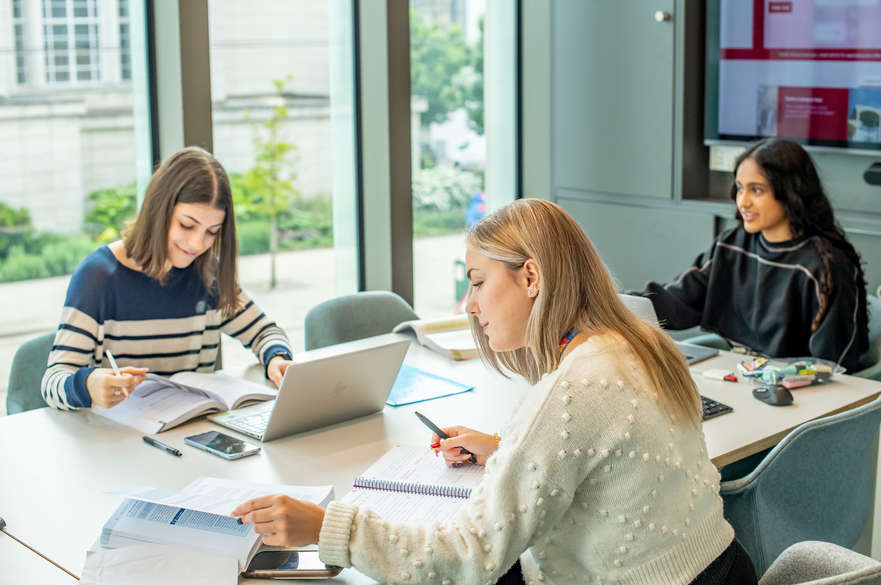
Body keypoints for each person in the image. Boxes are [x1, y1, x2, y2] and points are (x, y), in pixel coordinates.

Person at [232, 198, 756, 584]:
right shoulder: (635, 340)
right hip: (717, 569)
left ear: (531, 277)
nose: (470, 305)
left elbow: (467, 559)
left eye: (478, 282)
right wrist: (510, 449)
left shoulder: (575, 386)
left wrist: (328, 527)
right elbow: (612, 460)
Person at [41, 147, 294, 410]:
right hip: (116, 439)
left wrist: (276, 358)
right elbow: (53, 381)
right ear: (158, 211)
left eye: (212, 232)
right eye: (187, 225)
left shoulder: (208, 273)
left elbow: (265, 332)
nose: (198, 243)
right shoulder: (99, 278)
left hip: (190, 435)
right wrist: (87, 385)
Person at [635, 138, 869, 373]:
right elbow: (679, 300)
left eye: (757, 190)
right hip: (743, 377)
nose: (742, 202)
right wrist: (614, 306)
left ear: (790, 192)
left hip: (800, 395)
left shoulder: (826, 266)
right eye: (739, 188)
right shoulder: (731, 244)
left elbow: (836, 368)